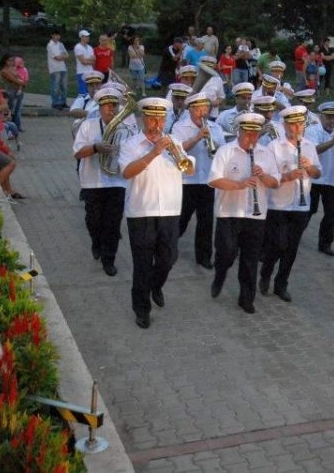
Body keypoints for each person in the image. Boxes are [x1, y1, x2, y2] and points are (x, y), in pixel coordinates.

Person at [118, 97, 195, 329]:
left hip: (170, 211)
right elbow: (127, 172)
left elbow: (189, 169)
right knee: (142, 264)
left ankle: (156, 285)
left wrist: (176, 153)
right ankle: (141, 309)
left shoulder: (175, 143)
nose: (157, 123)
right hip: (141, 212)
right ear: (143, 119)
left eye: (161, 118)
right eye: (152, 118)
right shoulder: (130, 145)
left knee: (169, 258)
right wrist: (153, 153)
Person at [208, 113, 280, 314]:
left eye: (255, 134)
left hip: (255, 215)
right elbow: (214, 180)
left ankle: (246, 298)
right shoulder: (225, 151)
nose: (252, 138)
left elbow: (275, 182)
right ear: (239, 131)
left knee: (250, 259)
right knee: (227, 253)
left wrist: (263, 176)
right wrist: (239, 185)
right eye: (248, 134)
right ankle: (220, 274)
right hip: (228, 212)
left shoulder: (265, 153)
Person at [259, 106, 321, 302]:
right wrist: (287, 176)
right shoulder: (273, 147)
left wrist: (310, 167)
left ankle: (281, 284)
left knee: (291, 248)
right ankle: (266, 272)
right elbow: (268, 176)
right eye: (293, 124)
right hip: (278, 204)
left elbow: (318, 173)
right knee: (278, 244)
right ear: (285, 124)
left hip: (301, 205)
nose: (297, 128)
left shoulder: (309, 145)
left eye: (300, 124)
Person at [72, 87, 130, 277]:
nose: (111, 109)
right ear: (100, 107)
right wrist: (96, 147)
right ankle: (96, 242)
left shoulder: (126, 127)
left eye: (114, 105)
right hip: (92, 182)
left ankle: (109, 259)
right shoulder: (88, 126)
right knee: (93, 221)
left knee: (113, 224)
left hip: (117, 182)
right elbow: (78, 152)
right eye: (107, 106)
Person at [172, 92, 225, 270]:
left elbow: (223, 152)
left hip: (207, 181)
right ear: (191, 109)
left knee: (206, 221)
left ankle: (203, 256)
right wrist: (197, 137)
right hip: (187, 181)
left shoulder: (215, 128)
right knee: (181, 219)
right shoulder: (180, 127)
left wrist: (214, 144)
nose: (203, 112)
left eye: (206, 108)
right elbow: (178, 151)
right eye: (199, 109)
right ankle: (168, 248)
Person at [306, 102, 334, 256]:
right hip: (315, 179)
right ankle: (294, 234)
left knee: (330, 213)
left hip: (333, 179)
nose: (332, 121)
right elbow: (314, 150)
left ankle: (326, 243)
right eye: (328, 118)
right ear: (321, 117)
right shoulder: (312, 130)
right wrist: (333, 142)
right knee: (309, 209)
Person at [47, 29, 70, 109]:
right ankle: (55, 102)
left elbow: (67, 55)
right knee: (55, 86)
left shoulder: (61, 44)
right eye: (55, 35)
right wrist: (62, 56)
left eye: (58, 35)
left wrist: (62, 56)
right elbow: (57, 57)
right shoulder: (50, 45)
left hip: (63, 67)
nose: (57, 37)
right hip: (55, 69)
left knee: (64, 86)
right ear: (52, 35)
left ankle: (63, 102)